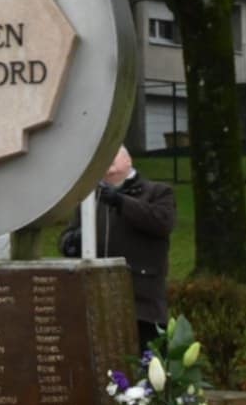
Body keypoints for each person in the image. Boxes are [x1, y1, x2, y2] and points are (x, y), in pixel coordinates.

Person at [59, 145, 177, 349]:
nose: (108, 160)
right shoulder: (89, 198)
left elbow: (161, 223)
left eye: (114, 155)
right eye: (104, 157)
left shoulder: (157, 192)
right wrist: (71, 242)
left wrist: (121, 202)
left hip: (142, 302)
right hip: (99, 299)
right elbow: (67, 235)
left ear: (129, 161)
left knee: (145, 366)